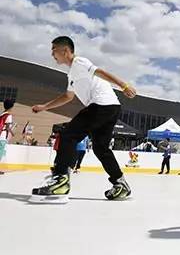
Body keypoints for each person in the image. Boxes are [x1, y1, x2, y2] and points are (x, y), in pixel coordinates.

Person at [30, 36, 137, 203]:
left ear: (65, 51)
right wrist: (45, 107)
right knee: (101, 148)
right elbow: (68, 96)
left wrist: (124, 85)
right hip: (111, 107)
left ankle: (60, 179)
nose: (52, 55)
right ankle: (120, 182)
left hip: (102, 105)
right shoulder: (72, 73)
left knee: (68, 135)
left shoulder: (79, 62)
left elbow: (100, 72)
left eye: (54, 51)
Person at [0, 99, 15, 175]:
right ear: (11, 106)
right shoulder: (8, 115)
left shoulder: (2, 114)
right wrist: (12, 133)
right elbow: (8, 127)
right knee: (0, 153)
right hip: (2, 136)